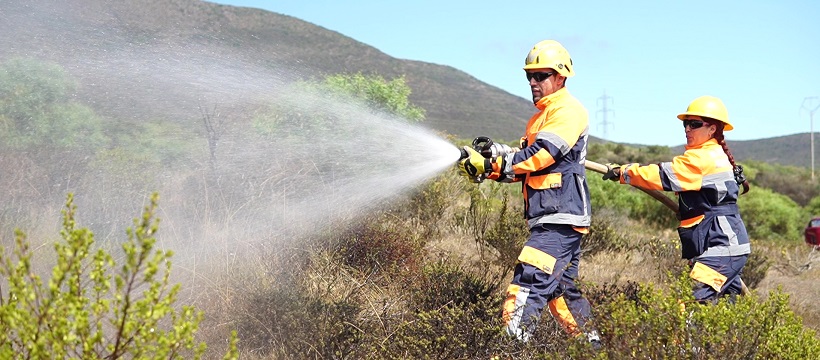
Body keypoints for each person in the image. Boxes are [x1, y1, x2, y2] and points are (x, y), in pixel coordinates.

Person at [458, 39, 601, 347]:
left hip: (559, 219)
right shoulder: (540, 118)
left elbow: (542, 155)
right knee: (560, 291)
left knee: (529, 282)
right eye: (530, 76)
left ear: (561, 77)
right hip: (551, 218)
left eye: (541, 75)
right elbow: (525, 167)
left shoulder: (568, 110)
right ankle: (593, 349)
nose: (534, 82)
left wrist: (492, 161)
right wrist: (490, 166)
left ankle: (510, 349)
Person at [602, 95, 751, 303]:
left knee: (690, 303)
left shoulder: (701, 159)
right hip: (726, 245)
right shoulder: (714, 154)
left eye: (695, 124)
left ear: (713, 129)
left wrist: (624, 172)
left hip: (722, 246)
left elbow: (660, 175)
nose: (687, 129)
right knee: (723, 311)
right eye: (685, 124)